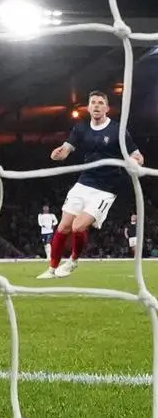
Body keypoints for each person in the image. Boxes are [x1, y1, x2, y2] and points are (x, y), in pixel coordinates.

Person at [39, 90, 143, 279]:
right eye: (93, 102)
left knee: (78, 227)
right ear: (87, 107)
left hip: (105, 189)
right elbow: (65, 150)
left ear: (107, 108)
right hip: (84, 183)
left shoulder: (117, 130)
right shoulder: (80, 129)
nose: (96, 105)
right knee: (63, 227)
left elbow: (136, 154)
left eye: (100, 103)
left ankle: (73, 261)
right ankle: (51, 269)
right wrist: (58, 154)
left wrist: (136, 160)